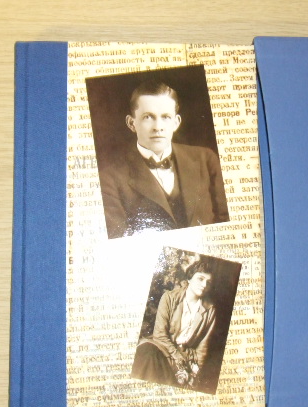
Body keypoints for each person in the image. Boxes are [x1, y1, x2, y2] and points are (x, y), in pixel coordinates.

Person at [98, 80, 229, 239]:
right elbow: (119, 239)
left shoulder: (206, 159)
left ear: (176, 122)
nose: (158, 127)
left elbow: (226, 222)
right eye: (148, 117)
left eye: (166, 117)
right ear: (131, 123)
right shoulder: (109, 178)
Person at [131, 260, 217, 389]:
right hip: (163, 347)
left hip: (187, 355)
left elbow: (203, 346)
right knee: (145, 356)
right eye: (200, 279)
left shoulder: (210, 309)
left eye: (209, 282)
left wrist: (196, 369)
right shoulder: (169, 298)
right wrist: (176, 355)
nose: (204, 285)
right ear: (189, 278)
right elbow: (159, 334)